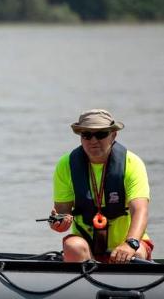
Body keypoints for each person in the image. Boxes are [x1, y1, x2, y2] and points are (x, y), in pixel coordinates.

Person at [48, 109, 153, 263]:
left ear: (113, 135)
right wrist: (58, 223)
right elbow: (62, 212)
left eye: (101, 134)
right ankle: (85, 281)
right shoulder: (66, 165)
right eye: (87, 135)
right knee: (72, 247)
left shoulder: (132, 164)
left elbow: (140, 210)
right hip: (86, 246)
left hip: (128, 243)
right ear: (81, 137)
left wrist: (131, 244)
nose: (93, 140)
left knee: (136, 255)